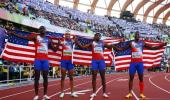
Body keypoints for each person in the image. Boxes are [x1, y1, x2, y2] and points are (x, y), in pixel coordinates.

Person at [8, 26, 59, 100]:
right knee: (37, 78)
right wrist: (14, 33)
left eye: (43, 29)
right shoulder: (36, 37)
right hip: (37, 60)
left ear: (45, 31)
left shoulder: (48, 39)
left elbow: (55, 50)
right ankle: (36, 95)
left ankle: (45, 94)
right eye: (41, 29)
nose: (42, 30)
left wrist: (58, 44)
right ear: (39, 30)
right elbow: (24, 37)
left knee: (45, 78)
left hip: (45, 60)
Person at [112, 31, 166, 99]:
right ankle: (129, 93)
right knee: (131, 78)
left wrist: (162, 45)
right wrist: (114, 47)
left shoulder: (142, 43)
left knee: (141, 79)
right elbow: (122, 49)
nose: (137, 36)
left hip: (140, 63)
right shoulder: (131, 43)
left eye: (138, 35)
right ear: (134, 36)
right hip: (133, 63)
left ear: (139, 36)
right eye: (136, 35)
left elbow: (152, 48)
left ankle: (141, 93)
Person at [75, 33, 111, 98]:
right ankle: (94, 92)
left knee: (103, 77)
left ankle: (104, 93)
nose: (98, 37)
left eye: (99, 36)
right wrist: (77, 41)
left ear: (100, 37)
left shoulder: (103, 43)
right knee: (94, 77)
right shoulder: (92, 43)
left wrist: (119, 42)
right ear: (94, 37)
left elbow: (110, 47)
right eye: (96, 35)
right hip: (94, 61)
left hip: (101, 61)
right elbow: (83, 47)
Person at [59, 31, 78, 98]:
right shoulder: (62, 40)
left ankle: (72, 92)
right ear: (65, 35)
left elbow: (76, 39)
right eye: (66, 34)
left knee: (71, 77)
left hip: (70, 61)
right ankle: (62, 92)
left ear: (70, 35)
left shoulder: (72, 41)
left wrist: (74, 37)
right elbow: (58, 41)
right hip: (63, 61)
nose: (67, 35)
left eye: (69, 34)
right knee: (63, 77)